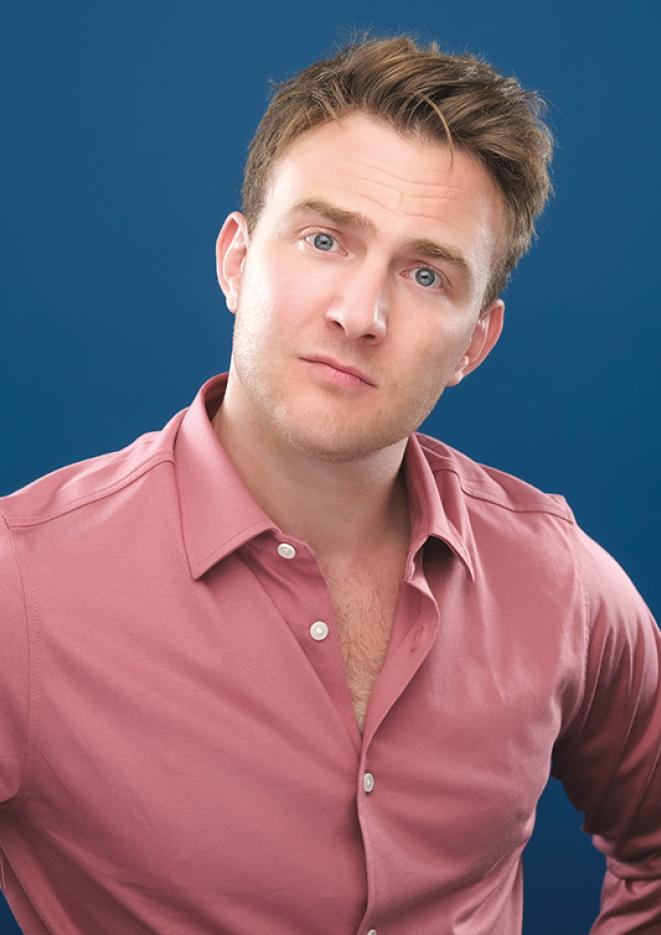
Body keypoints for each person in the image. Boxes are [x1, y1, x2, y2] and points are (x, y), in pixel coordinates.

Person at [0, 32, 659, 935]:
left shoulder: (557, 577)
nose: (360, 313)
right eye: (323, 239)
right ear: (235, 260)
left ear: (475, 341)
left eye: (425, 273)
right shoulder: (21, 588)